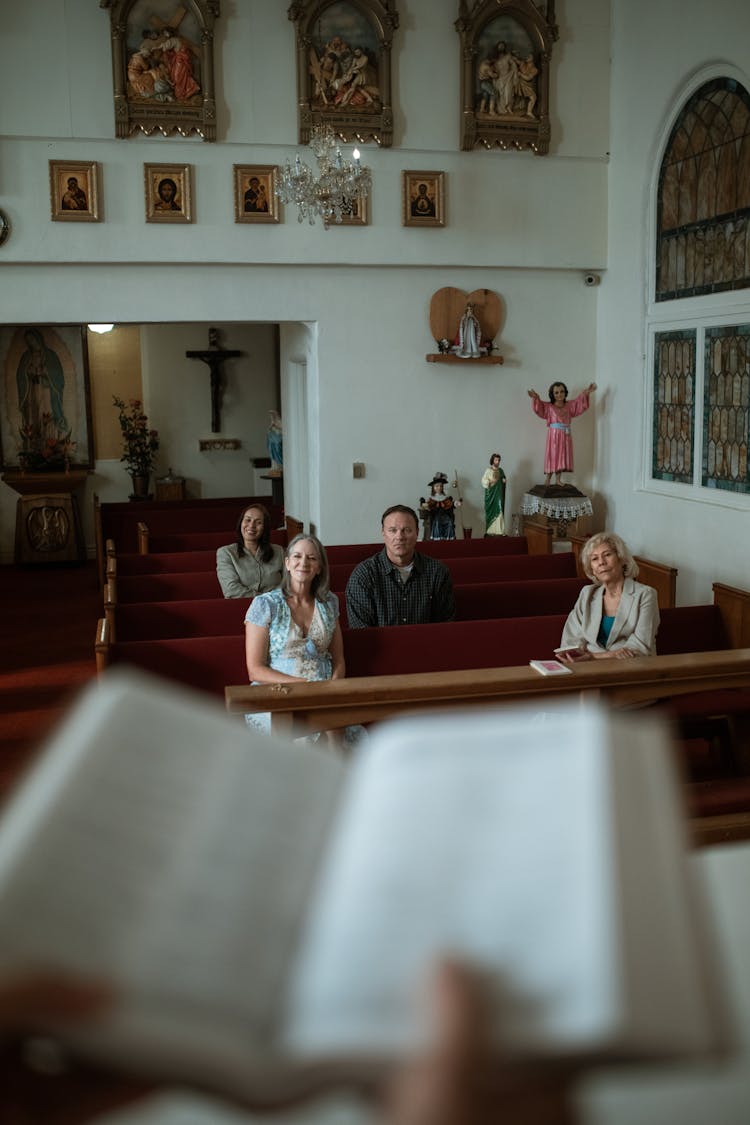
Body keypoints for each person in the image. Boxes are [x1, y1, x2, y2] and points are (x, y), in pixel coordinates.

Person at [244, 534, 349, 740]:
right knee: (300, 733)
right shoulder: (265, 604)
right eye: (298, 556)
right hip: (279, 691)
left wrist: (333, 689)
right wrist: (304, 685)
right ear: (288, 563)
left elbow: (338, 659)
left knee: (335, 724)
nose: (304, 563)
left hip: (323, 691)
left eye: (312, 558)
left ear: (319, 567)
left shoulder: (330, 602)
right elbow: (255, 670)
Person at [345, 505, 455, 628]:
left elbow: (445, 626)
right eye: (392, 530)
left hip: (426, 646)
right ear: (383, 533)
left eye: (407, 530)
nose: (400, 537)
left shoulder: (437, 572)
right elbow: (361, 633)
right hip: (379, 647)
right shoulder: (363, 575)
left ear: (417, 533)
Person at [558, 532, 659, 660]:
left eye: (607, 555)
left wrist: (593, 657)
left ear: (621, 559)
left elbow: (640, 646)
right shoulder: (587, 593)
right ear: (592, 569)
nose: (601, 562)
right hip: (587, 667)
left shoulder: (645, 594)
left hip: (630, 667)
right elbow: (571, 639)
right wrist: (577, 656)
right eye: (594, 559)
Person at [528, 381, 597, 486]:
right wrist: (536, 398)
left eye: (561, 391)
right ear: (552, 394)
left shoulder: (569, 406)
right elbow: (540, 407)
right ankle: (548, 479)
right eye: (556, 392)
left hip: (565, 434)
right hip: (553, 435)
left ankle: (558, 480)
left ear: (565, 393)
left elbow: (578, 403)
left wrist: (587, 392)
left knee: (562, 457)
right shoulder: (549, 407)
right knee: (553, 456)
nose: (559, 394)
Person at [216, 504, 284, 599]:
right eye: (247, 520)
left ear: (264, 527)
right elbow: (230, 590)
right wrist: (266, 599)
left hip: (277, 608)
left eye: (258, 522)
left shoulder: (279, 551)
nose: (251, 525)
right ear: (241, 523)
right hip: (242, 607)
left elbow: (288, 584)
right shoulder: (226, 553)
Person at [420, 472, 461, 540]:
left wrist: (456, 503)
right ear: (433, 488)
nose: (439, 488)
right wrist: (426, 506)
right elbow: (429, 505)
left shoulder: (444, 497)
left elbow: (449, 504)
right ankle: (438, 538)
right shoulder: (432, 498)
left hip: (444, 515)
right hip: (436, 515)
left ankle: (448, 537)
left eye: (441, 486)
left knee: (449, 522)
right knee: (437, 523)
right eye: (437, 486)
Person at [481, 453, 506, 535]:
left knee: (499, 509)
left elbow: (503, 478)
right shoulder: (488, 470)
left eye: (499, 460)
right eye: (496, 460)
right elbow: (483, 481)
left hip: (499, 494)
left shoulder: (501, 470)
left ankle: (500, 530)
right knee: (491, 511)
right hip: (491, 495)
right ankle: (490, 531)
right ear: (492, 460)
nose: (498, 461)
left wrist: (504, 481)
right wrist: (489, 482)